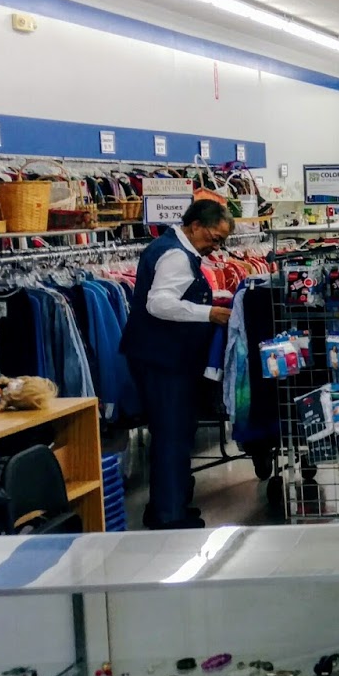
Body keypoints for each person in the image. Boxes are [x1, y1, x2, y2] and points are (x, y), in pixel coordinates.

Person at [120, 200, 234, 530]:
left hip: (163, 357)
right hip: (164, 359)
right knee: (172, 433)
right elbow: (159, 304)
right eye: (214, 238)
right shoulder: (175, 255)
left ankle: (169, 505)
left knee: (175, 431)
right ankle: (169, 515)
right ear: (195, 226)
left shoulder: (172, 248)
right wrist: (208, 313)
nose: (216, 246)